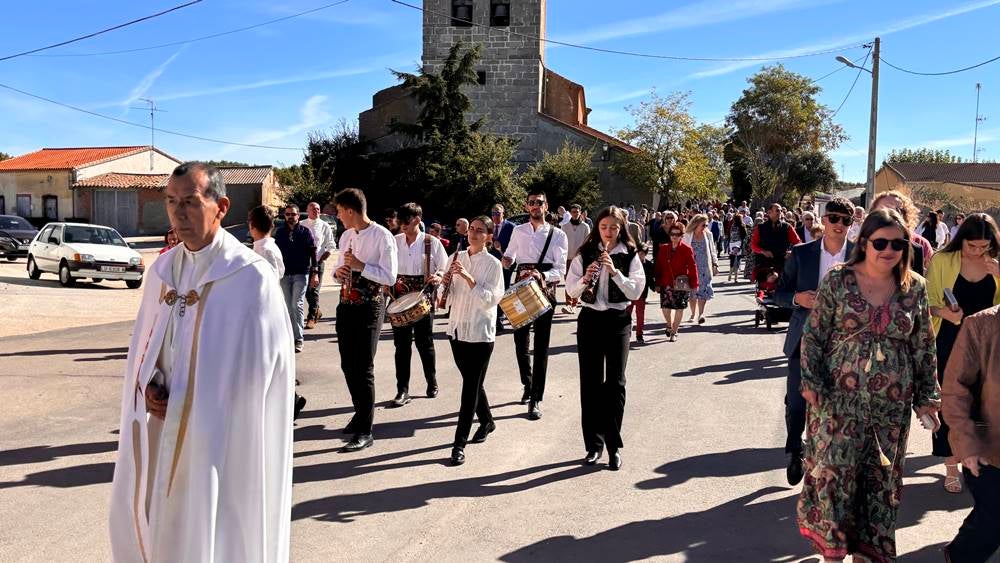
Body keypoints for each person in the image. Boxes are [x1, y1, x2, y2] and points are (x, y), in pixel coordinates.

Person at [109, 162, 294, 562]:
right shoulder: (161, 273)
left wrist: (194, 402)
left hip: (220, 443)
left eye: (190, 202)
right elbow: (147, 349)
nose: (178, 213)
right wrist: (150, 386)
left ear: (221, 206)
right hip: (162, 432)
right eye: (171, 202)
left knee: (214, 531)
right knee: (162, 524)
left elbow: (260, 380)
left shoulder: (251, 279)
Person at [797, 209, 941, 563]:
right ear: (864, 243)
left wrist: (927, 399)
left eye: (897, 243)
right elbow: (813, 336)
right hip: (836, 405)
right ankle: (832, 554)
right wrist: (811, 382)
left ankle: (867, 554)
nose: (888, 249)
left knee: (879, 485)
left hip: (889, 412)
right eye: (880, 242)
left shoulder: (915, 287)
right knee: (835, 480)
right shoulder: (837, 280)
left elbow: (923, 345)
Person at [775, 197, 855, 487]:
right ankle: (794, 449)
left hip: (844, 346)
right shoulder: (801, 253)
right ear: (824, 219)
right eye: (834, 218)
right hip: (803, 340)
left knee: (834, 408)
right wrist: (798, 298)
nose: (839, 225)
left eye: (846, 220)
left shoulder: (860, 256)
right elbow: (778, 293)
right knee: (797, 404)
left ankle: (823, 461)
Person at [565, 206, 645, 470]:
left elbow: (635, 291)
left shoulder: (630, 255)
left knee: (616, 383)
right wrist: (586, 278)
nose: (608, 232)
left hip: (617, 320)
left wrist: (615, 272)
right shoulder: (586, 253)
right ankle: (593, 446)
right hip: (590, 320)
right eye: (603, 227)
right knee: (590, 384)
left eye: (613, 227)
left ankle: (613, 446)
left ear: (621, 228)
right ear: (597, 228)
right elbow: (571, 289)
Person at [925, 213, 1000, 493]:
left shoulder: (997, 263)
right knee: (951, 402)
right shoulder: (942, 260)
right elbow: (927, 302)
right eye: (972, 247)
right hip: (950, 340)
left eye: (984, 247)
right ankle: (951, 465)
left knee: (984, 403)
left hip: (989, 346)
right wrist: (942, 312)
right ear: (961, 241)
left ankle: (983, 460)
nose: (979, 252)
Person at [333, 188, 398, 452]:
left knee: (363, 367)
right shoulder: (347, 235)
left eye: (339, 211)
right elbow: (338, 272)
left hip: (370, 305)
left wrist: (361, 266)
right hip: (346, 303)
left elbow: (390, 277)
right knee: (348, 365)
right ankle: (360, 413)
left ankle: (365, 430)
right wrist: (340, 271)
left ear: (351, 210)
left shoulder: (382, 236)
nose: (338, 217)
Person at [442, 215, 505, 466]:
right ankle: (487, 420)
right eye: (472, 230)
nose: (474, 234)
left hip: (480, 334)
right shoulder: (455, 257)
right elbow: (445, 297)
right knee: (474, 383)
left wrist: (469, 278)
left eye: (480, 231)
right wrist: (443, 284)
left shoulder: (493, 264)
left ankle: (459, 444)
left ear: (489, 236)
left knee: (469, 390)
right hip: (457, 330)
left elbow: (491, 299)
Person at [502, 189, 569, 420]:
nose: (534, 206)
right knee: (520, 342)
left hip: (544, 290)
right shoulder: (518, 230)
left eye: (539, 203)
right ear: (526, 206)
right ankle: (527, 384)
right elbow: (509, 257)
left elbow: (560, 269)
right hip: (520, 290)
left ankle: (536, 398)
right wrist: (506, 259)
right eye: (531, 203)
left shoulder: (558, 235)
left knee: (541, 346)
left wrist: (542, 276)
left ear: (546, 206)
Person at [941, 304, 1000, 563]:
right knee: (992, 522)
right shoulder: (981, 325)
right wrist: (966, 444)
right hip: (990, 450)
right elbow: (955, 390)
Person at [250, 205, 309, 420]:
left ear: (251, 226)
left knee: (268, 362)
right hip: (268, 309)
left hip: (265, 310)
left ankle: (289, 401)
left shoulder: (264, 249)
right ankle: (291, 399)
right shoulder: (265, 247)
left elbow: (271, 278)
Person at [390, 202, 448, 407]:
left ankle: (431, 382)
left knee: (425, 343)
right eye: (400, 221)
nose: (402, 225)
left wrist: (439, 276)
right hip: (399, 298)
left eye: (406, 221)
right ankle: (402, 390)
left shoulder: (432, 242)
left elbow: (444, 267)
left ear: (417, 220)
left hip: (423, 298)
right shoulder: (394, 241)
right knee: (401, 346)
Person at [273, 205, 319, 354]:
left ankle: (298, 339)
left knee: (296, 304)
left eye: (293, 214)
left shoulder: (305, 232)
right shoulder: (279, 233)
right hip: (285, 275)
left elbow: (313, 254)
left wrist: (315, 273)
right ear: (284, 216)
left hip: (301, 273)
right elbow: (276, 254)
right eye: (287, 214)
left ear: (298, 215)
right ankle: (289, 337)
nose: (290, 216)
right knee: (287, 306)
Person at [870, 190, 932, 275]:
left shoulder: (918, 248)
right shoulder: (860, 246)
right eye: (882, 211)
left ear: (906, 216)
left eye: (897, 211)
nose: (889, 215)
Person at [655, 223, 698, 342]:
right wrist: (657, 283)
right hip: (666, 282)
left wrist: (694, 284)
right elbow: (658, 267)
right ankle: (669, 324)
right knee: (665, 308)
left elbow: (693, 267)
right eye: (672, 234)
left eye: (677, 234)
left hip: (682, 284)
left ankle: (674, 331)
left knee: (679, 308)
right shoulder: (663, 248)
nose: (674, 236)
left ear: (681, 236)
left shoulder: (687, 249)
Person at [302, 202, 336, 330]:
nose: (316, 211)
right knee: (305, 290)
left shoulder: (324, 226)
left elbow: (331, 244)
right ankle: (317, 310)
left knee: (314, 290)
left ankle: (312, 317)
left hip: (318, 262)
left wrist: (325, 255)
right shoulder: (301, 225)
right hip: (304, 263)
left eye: (318, 209)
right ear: (307, 210)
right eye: (313, 209)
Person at [682, 214, 718, 324]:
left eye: (706, 225)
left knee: (703, 290)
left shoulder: (708, 235)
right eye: (703, 225)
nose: (705, 227)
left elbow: (712, 250)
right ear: (696, 224)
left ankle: (701, 314)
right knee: (692, 292)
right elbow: (682, 250)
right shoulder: (688, 235)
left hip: (704, 267)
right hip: (691, 267)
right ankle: (693, 314)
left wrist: (715, 263)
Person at [750, 203, 801, 275]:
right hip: (764, 263)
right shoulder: (760, 228)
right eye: (777, 210)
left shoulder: (787, 227)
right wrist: (762, 251)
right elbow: (753, 245)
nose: (780, 212)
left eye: (780, 211)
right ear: (769, 212)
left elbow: (798, 243)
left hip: (782, 262)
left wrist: (792, 252)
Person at [561, 204, 591, 314]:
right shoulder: (564, 226)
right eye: (573, 211)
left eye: (577, 211)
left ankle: (573, 303)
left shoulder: (585, 227)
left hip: (579, 259)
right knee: (568, 280)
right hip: (567, 258)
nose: (575, 213)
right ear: (570, 212)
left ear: (580, 212)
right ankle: (568, 303)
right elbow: (561, 243)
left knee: (578, 280)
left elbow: (587, 243)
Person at [491, 204, 515, 332]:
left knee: (503, 290)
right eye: (493, 213)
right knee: (492, 289)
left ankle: (499, 319)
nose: (495, 216)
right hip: (491, 264)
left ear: (503, 213)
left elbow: (516, 246)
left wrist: (506, 255)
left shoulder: (511, 227)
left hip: (506, 264)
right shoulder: (489, 227)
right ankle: (492, 318)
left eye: (498, 213)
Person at [626, 243, 654, 344]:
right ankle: (626, 332)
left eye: (642, 253)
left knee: (640, 315)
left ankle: (639, 335)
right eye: (638, 253)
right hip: (629, 292)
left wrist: (655, 287)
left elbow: (650, 279)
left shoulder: (648, 265)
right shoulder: (630, 263)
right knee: (626, 314)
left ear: (645, 254)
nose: (639, 255)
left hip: (641, 294)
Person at [727, 213, 749, 282]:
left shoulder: (732, 225)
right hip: (739, 243)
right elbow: (744, 235)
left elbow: (729, 234)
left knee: (732, 258)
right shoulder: (742, 225)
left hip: (731, 243)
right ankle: (735, 277)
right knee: (738, 259)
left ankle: (730, 274)